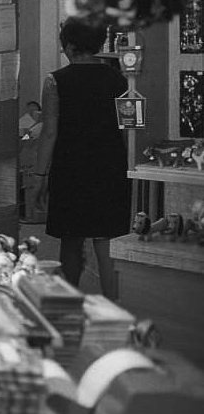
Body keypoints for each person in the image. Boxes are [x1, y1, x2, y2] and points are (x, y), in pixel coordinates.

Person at [31, 18, 130, 298]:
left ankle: (68, 301)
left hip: (70, 169)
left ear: (70, 47)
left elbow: (49, 133)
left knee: (71, 240)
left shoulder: (55, 81)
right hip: (110, 167)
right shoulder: (119, 79)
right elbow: (128, 131)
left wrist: (39, 176)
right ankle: (113, 308)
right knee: (106, 241)